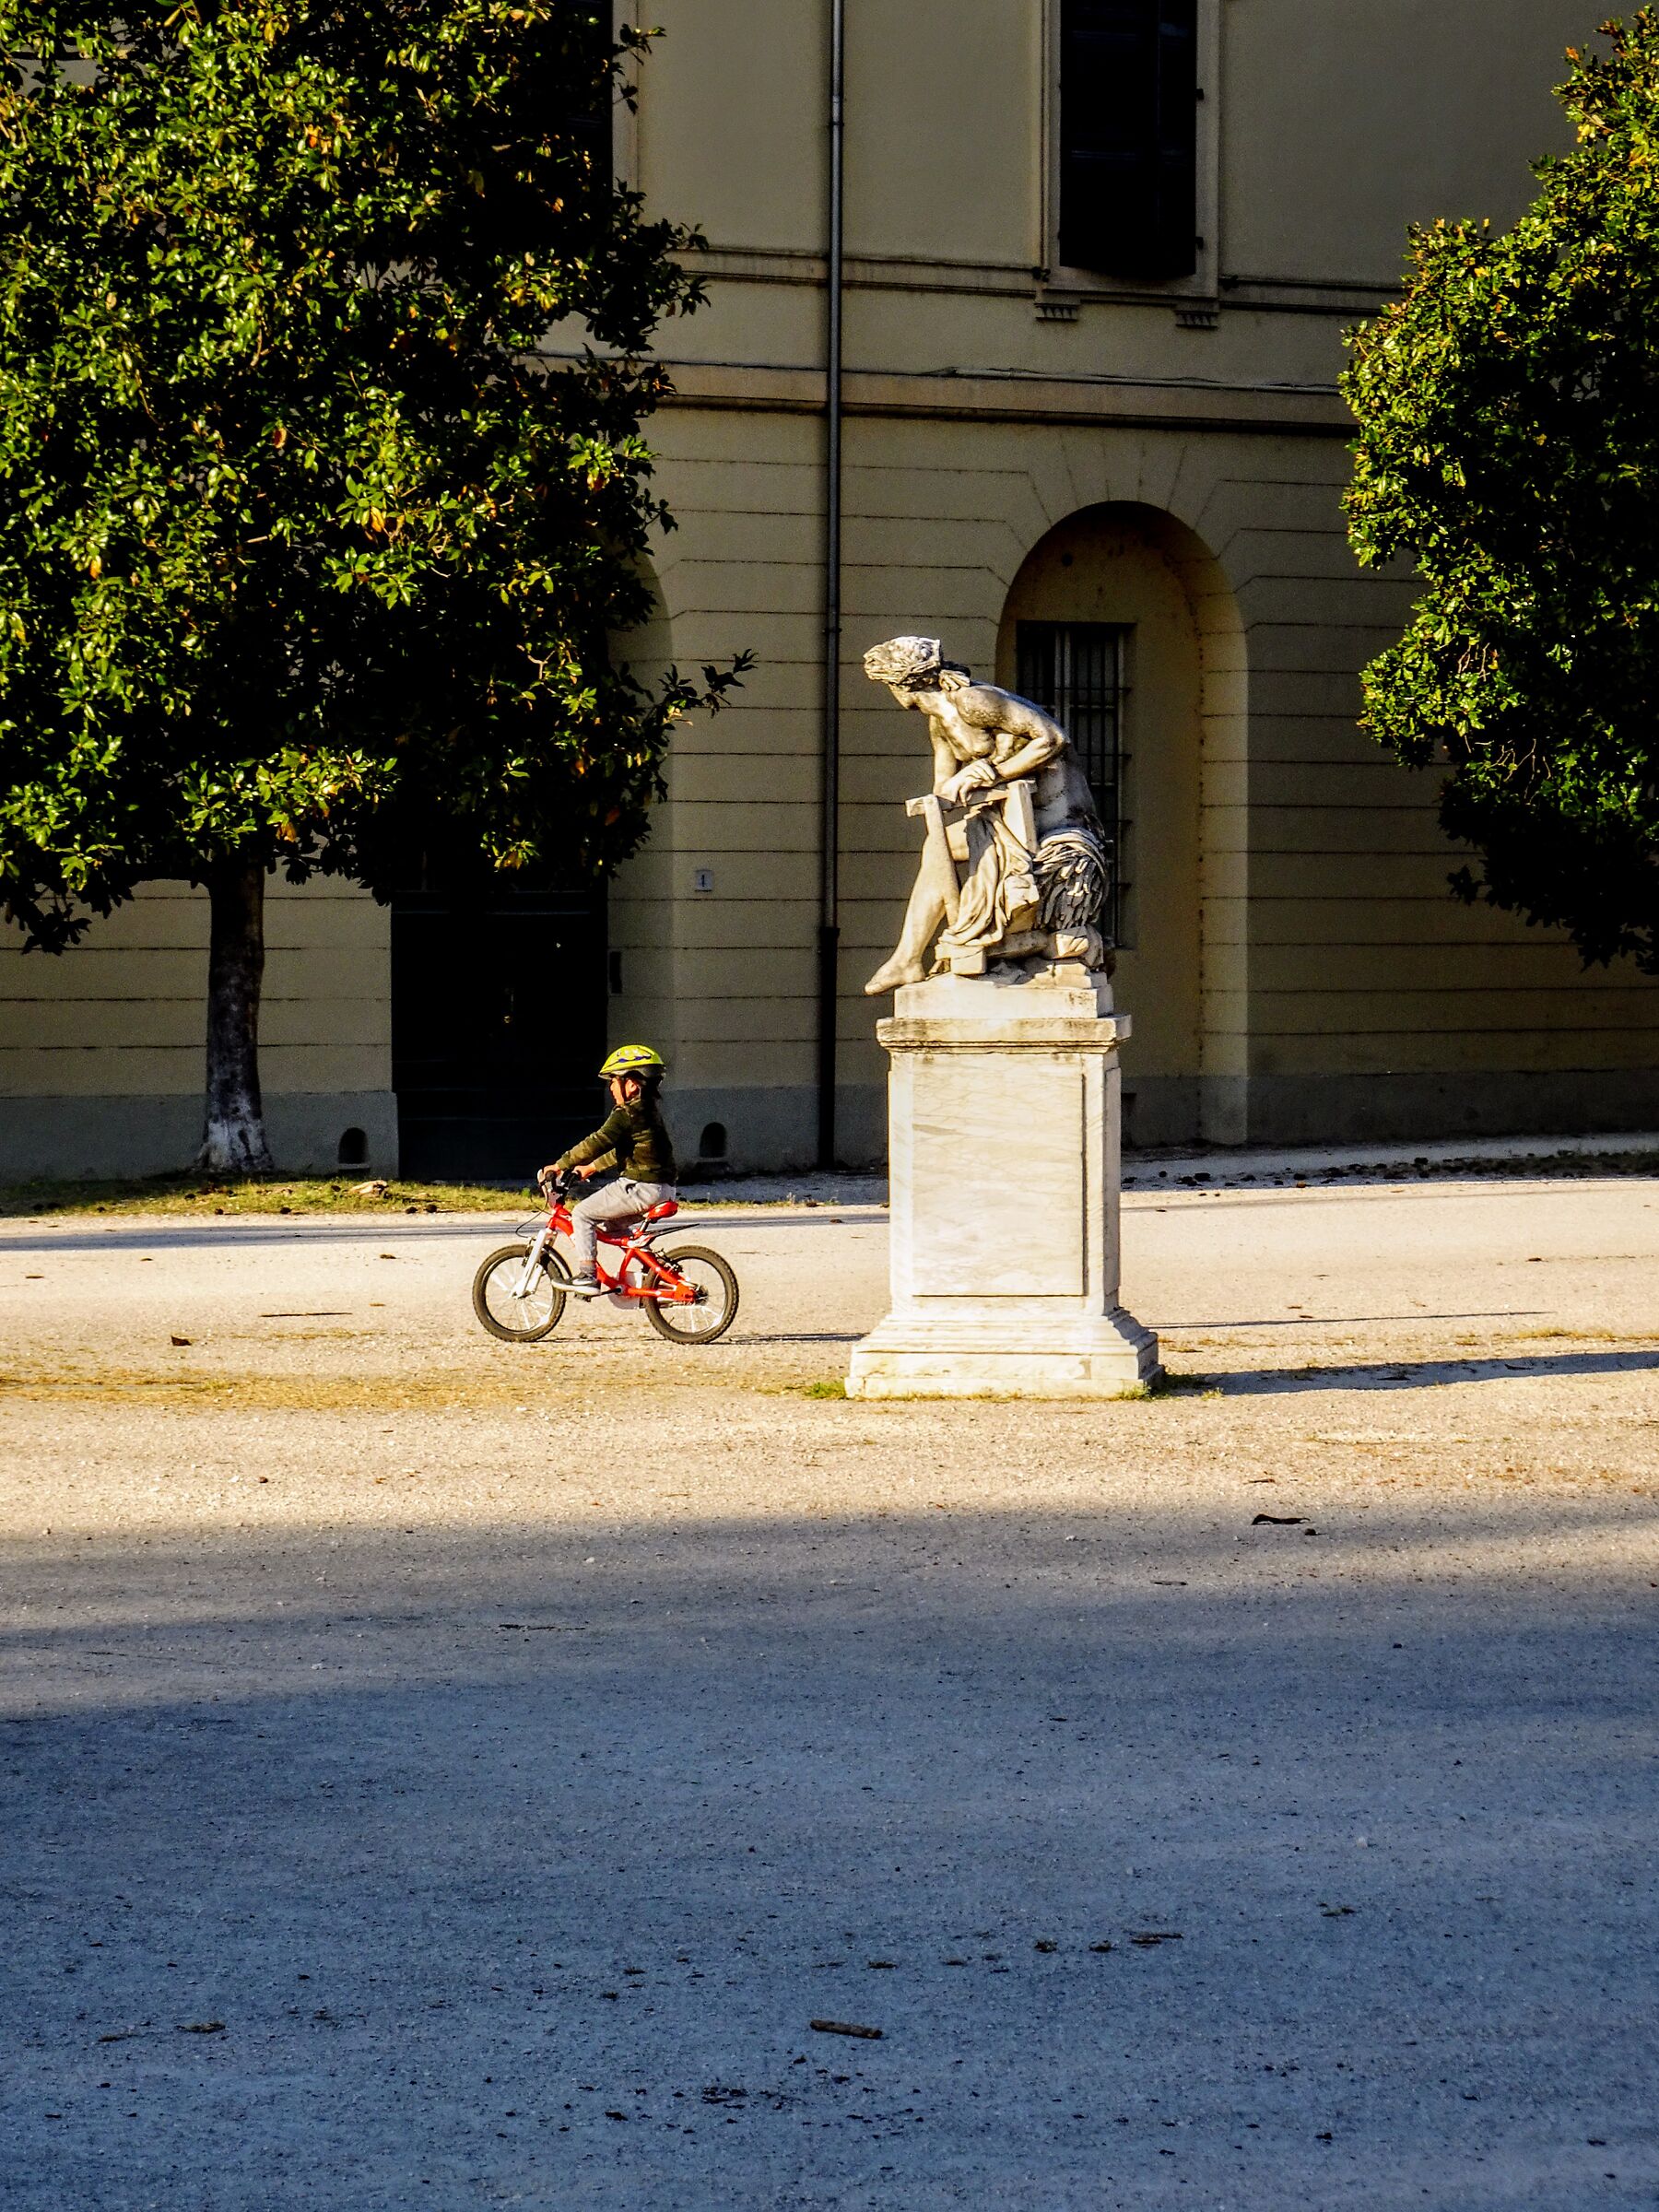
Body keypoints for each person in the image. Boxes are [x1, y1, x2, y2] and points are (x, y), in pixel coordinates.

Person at [860, 635, 1110, 993]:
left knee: (945, 848)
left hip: (1056, 822)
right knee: (938, 846)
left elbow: (1053, 738)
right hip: (1011, 817)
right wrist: (946, 794)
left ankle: (910, 958)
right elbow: (944, 787)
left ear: (902, 684)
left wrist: (993, 772)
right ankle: (909, 959)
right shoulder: (939, 723)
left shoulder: (973, 700)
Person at [539, 1046, 678, 1296]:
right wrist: (590, 1168)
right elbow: (624, 1151)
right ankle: (654, 1271)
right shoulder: (648, 1112)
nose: (611, 1088)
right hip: (661, 1188)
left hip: (640, 1187)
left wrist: (560, 1165)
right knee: (609, 1226)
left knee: (582, 1214)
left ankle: (588, 1276)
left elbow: (598, 1141)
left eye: (614, 1081)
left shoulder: (627, 1114)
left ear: (632, 1085)